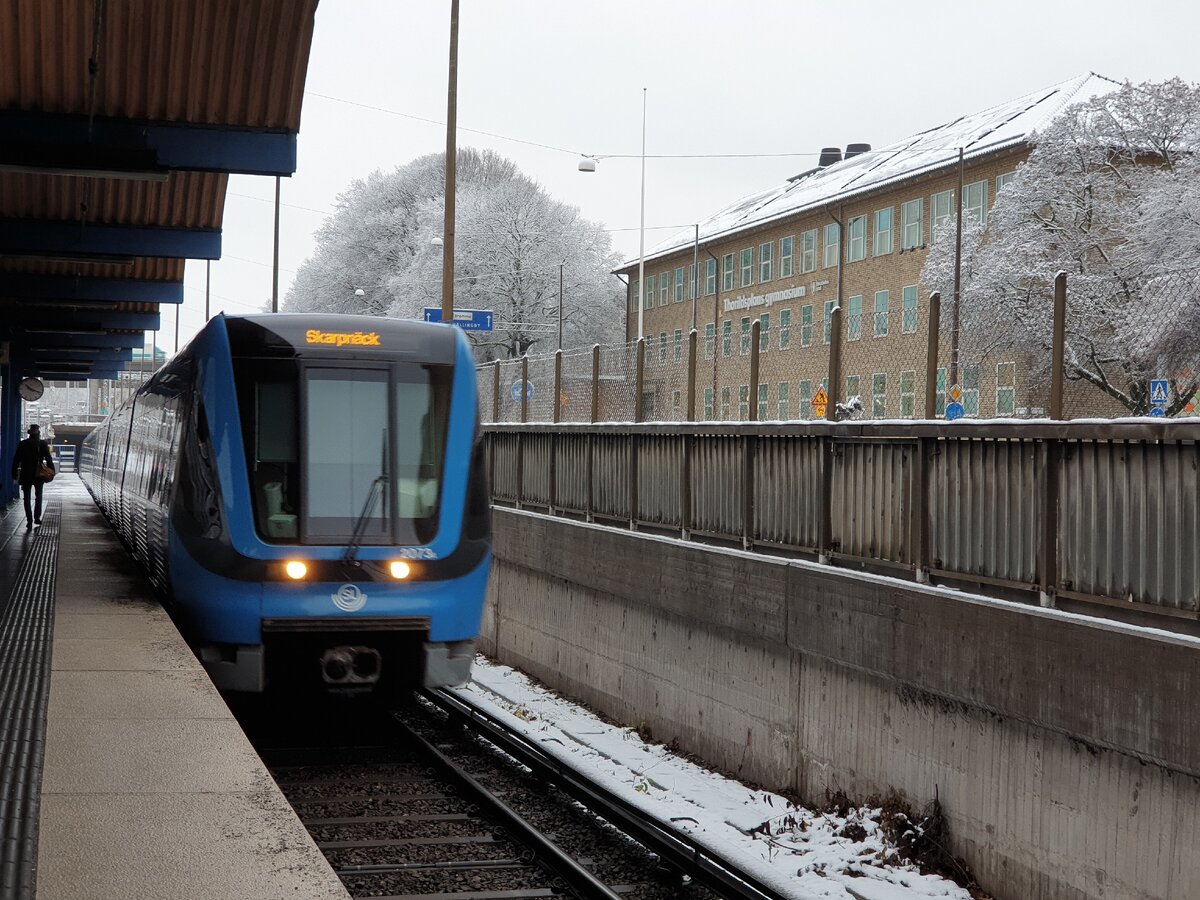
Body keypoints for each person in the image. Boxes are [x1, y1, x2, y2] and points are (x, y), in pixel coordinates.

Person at [11, 424, 55, 531]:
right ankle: (37, 517)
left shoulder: (23, 444)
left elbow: (16, 459)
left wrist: (14, 473)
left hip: (25, 473)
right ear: (38, 433)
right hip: (38, 473)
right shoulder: (42, 444)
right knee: (38, 496)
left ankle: (29, 520)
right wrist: (52, 471)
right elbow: (48, 458)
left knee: (26, 498)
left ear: (29, 433)